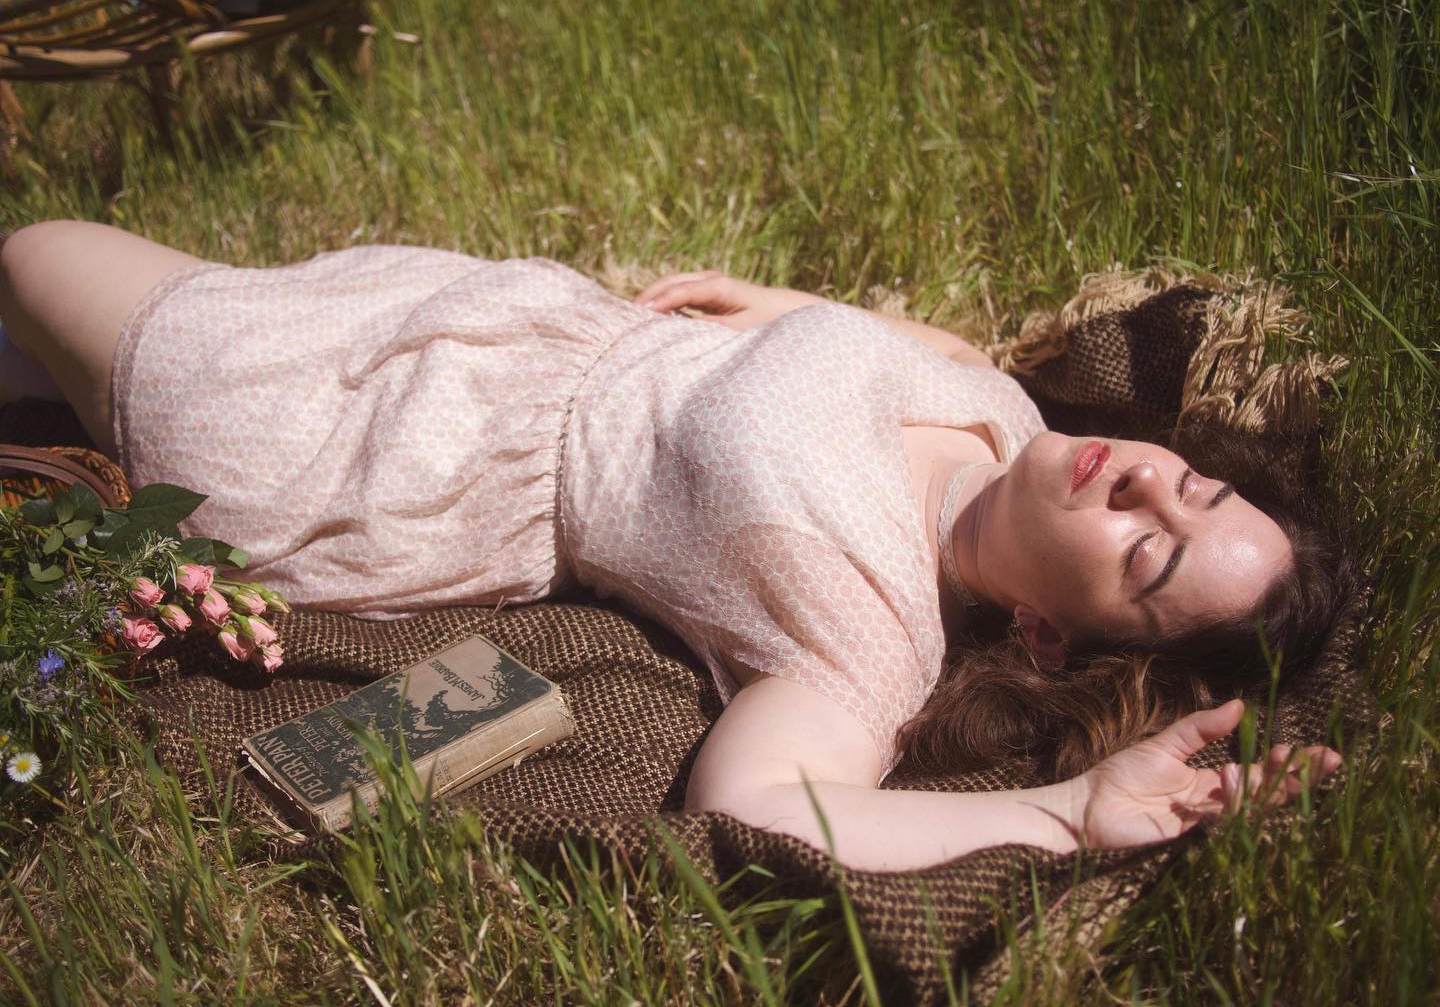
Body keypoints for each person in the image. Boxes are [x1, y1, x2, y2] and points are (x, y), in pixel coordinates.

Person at [0, 221, 1350, 872]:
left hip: (383, 452)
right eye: (1195, 489)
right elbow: (930, 350)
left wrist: (1068, 811)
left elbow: (759, 809)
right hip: (467, 314)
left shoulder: (870, 633)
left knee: (34, 252)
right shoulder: (1009, 415)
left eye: (1147, 553)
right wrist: (778, 303)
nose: (1148, 486)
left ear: (1049, 637)